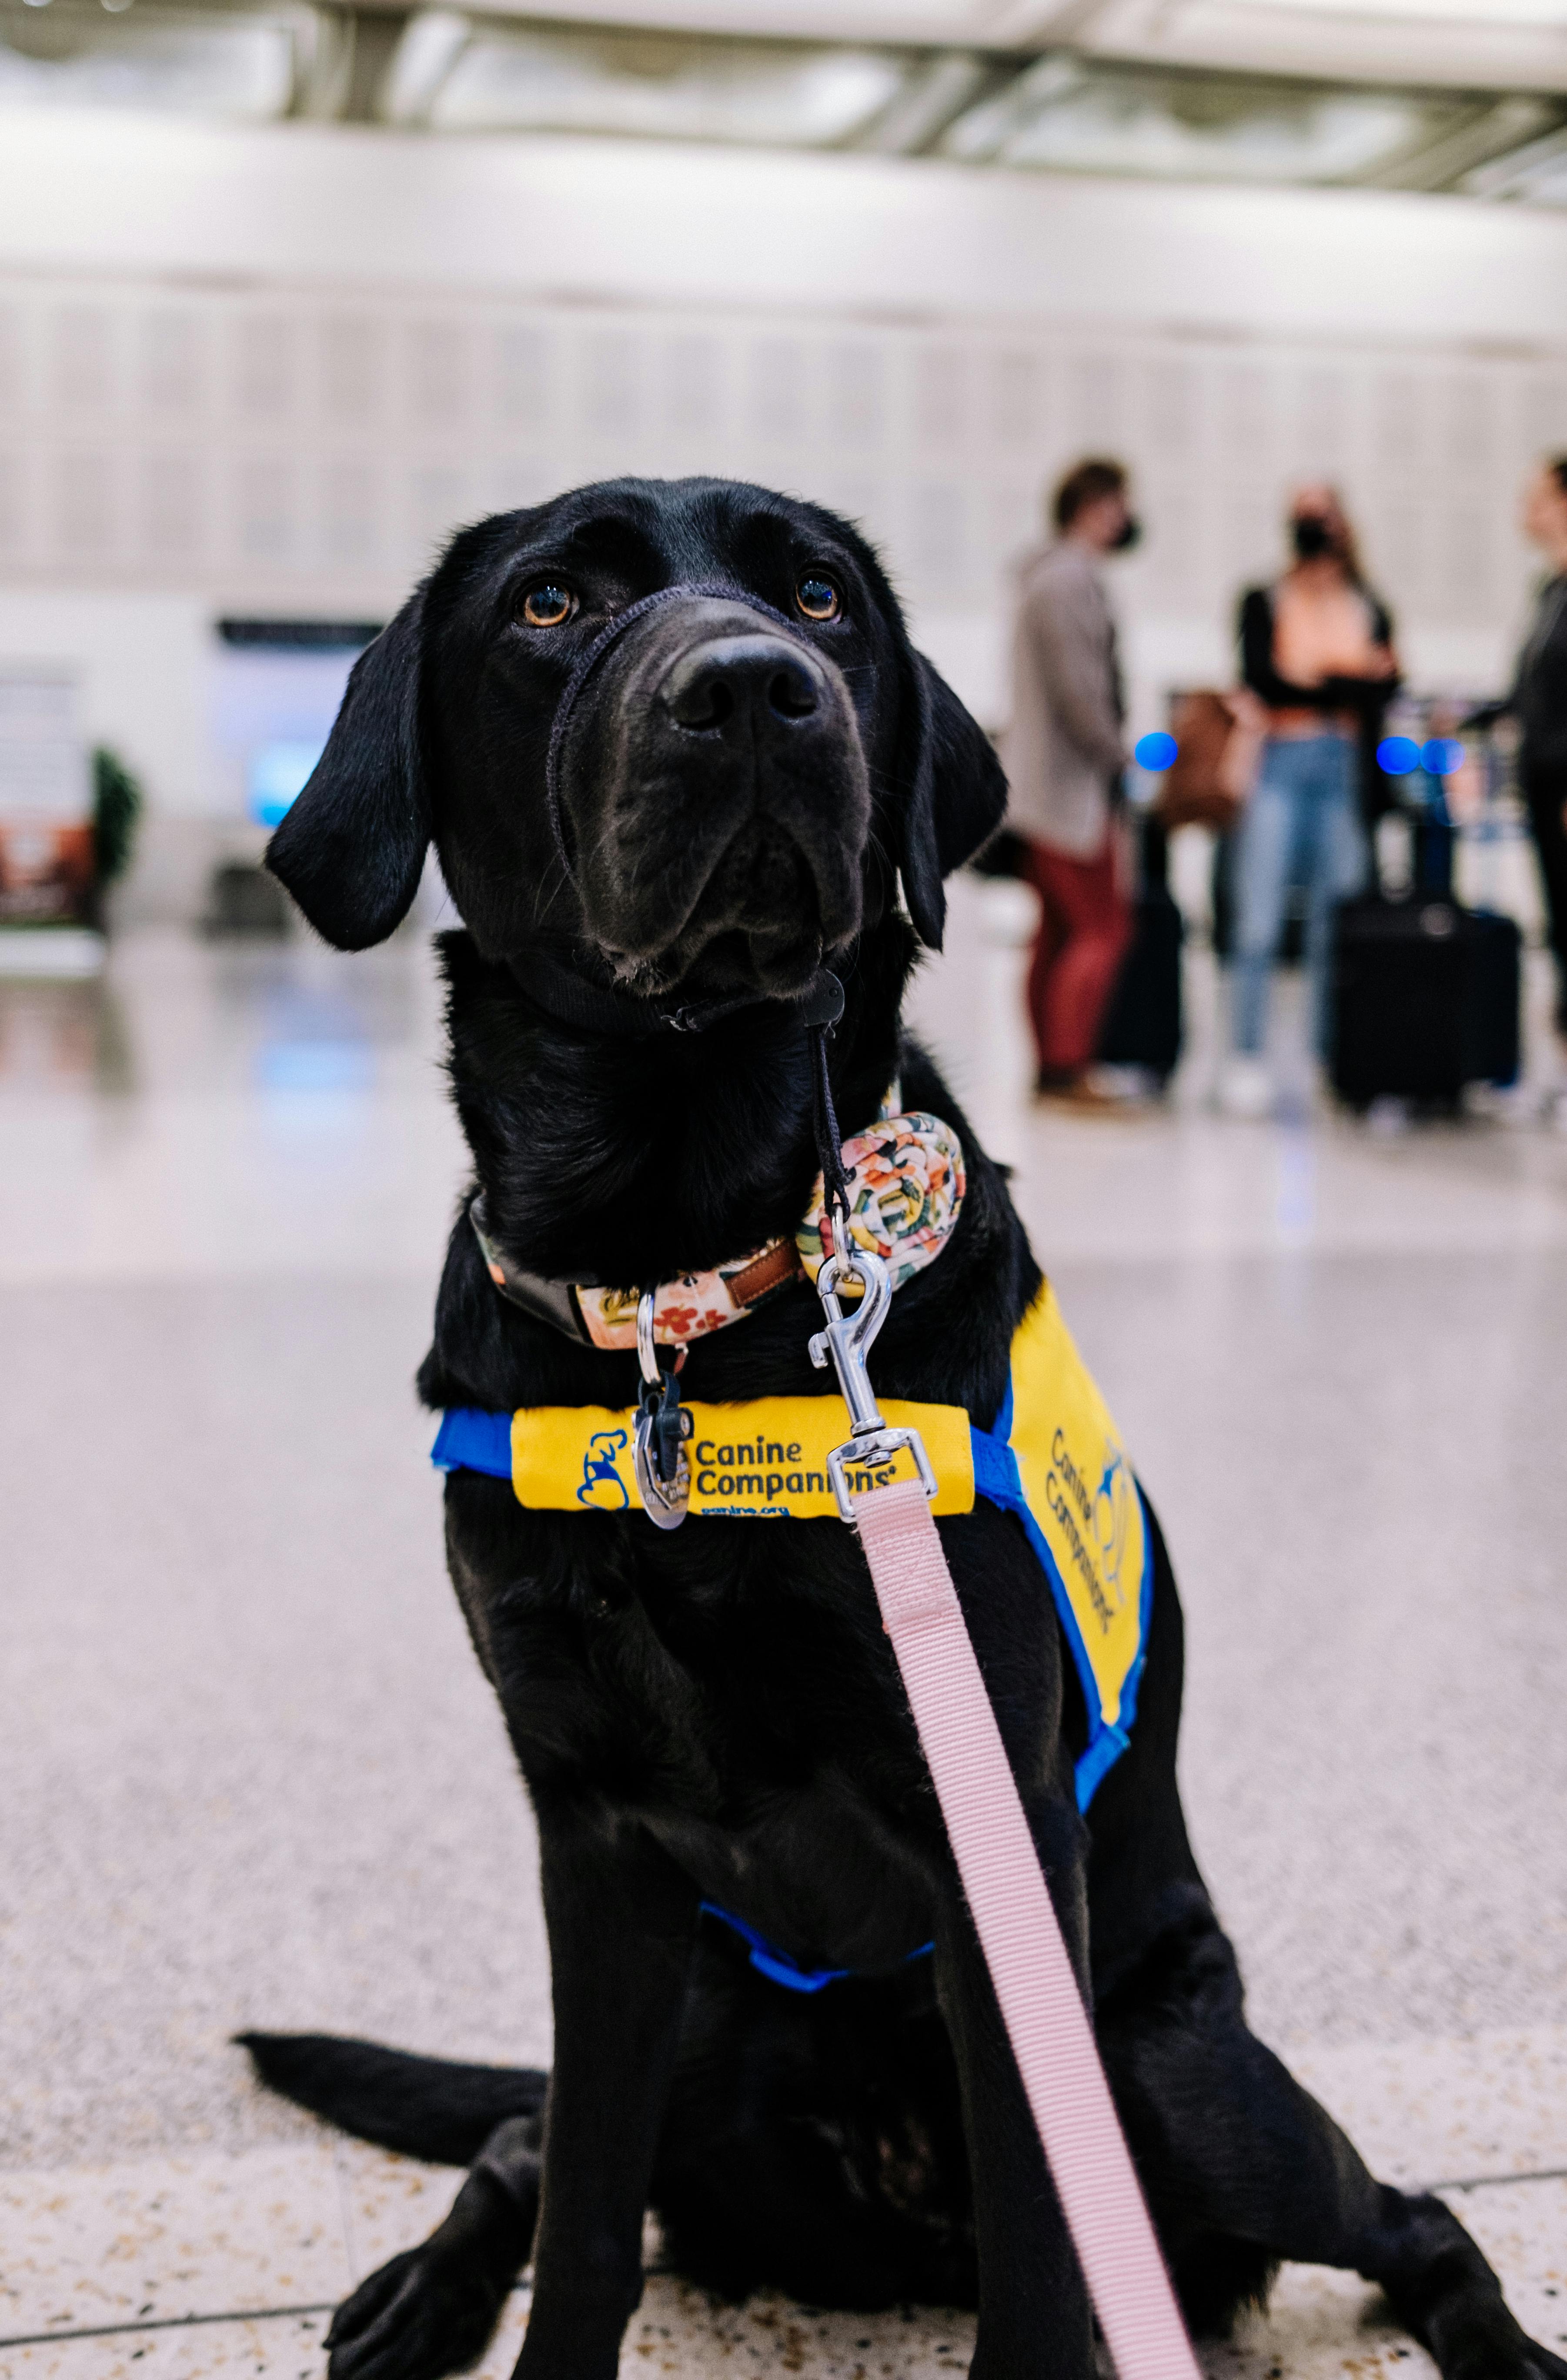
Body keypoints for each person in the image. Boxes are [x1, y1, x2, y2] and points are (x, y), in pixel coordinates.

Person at [1220, 486, 1400, 1119]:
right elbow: (1262, 679)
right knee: (1258, 920)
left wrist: (1317, 683)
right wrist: (1345, 681)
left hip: (1341, 769)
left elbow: (1387, 688)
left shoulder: (1367, 602)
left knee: (1338, 923)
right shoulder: (1264, 598)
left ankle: (1333, 1055)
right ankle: (1246, 1056)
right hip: (1279, 765)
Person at [1002, 457, 1137, 1112]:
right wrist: (1120, 759)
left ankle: (1052, 1068)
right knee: (1101, 929)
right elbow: (1082, 695)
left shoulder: (1043, 577)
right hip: (1069, 792)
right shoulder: (1067, 581)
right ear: (1096, 505)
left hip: (1042, 789)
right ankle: (1067, 1068)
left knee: (1055, 932)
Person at [1482, 458, 1567, 1115]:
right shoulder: (1549, 589)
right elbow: (1526, 693)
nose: (1524, 507)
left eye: (1535, 495)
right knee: (1558, 924)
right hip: (1540, 777)